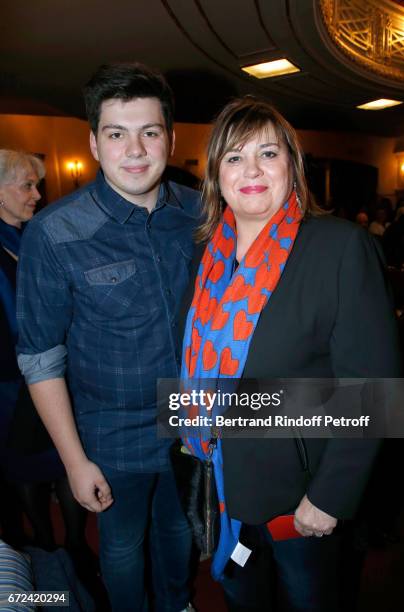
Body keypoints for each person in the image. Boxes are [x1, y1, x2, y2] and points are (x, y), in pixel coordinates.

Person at [179, 97, 402, 611]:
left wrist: (328, 497)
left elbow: (373, 391)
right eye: (233, 158)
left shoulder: (339, 247)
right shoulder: (205, 255)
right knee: (241, 597)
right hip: (221, 480)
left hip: (299, 495)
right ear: (216, 176)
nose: (251, 170)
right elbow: (196, 365)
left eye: (267, 153)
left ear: (292, 167)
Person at [16, 63, 199, 612]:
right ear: (94, 143)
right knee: (121, 549)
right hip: (110, 433)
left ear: (171, 137)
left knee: (180, 534)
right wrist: (74, 461)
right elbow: (40, 357)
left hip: (192, 420)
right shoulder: (54, 232)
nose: (136, 149)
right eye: (117, 134)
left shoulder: (201, 212)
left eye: (150, 131)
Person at [0, 150, 90, 566]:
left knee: (62, 459)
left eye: (37, 184)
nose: (37, 194)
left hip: (54, 370)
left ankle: (73, 546)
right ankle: (43, 546)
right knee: (24, 466)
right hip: (7, 380)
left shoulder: (41, 234)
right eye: (27, 185)